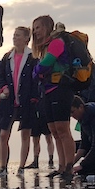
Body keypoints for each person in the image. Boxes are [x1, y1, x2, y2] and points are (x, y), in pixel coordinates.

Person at [31, 16, 76, 179]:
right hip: (48, 91)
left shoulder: (56, 43)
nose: (35, 31)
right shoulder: (43, 48)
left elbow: (45, 65)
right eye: (34, 28)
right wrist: (38, 72)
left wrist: (37, 71)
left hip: (61, 89)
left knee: (63, 129)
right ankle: (62, 166)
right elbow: (40, 68)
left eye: (38, 27)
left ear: (48, 27)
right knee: (54, 130)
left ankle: (69, 167)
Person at [0, 26, 36, 176]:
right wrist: (3, 87)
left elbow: (36, 79)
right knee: (4, 134)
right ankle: (3, 168)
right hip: (8, 101)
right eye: (14, 35)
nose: (15, 38)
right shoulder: (7, 57)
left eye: (18, 35)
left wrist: (34, 97)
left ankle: (21, 167)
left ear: (26, 38)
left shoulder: (33, 57)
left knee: (25, 134)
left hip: (27, 101)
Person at [70, 95, 95, 179]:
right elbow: (84, 145)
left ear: (81, 107)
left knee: (83, 172)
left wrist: (82, 165)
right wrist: (70, 165)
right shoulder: (84, 120)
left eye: (72, 112)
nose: (72, 116)